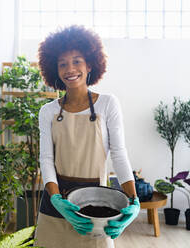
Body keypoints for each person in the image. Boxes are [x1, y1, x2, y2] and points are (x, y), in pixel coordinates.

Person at [34, 25, 140, 248]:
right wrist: (56, 200)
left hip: (96, 207)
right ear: (55, 69)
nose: (69, 69)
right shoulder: (48, 111)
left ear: (90, 63)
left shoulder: (108, 104)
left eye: (76, 61)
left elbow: (119, 155)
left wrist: (134, 201)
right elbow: (46, 160)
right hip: (56, 205)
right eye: (62, 64)